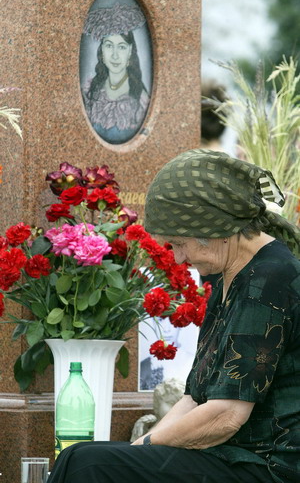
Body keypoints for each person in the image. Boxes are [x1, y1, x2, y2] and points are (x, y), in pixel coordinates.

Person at [47, 149, 300, 483]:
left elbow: (225, 416)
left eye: (180, 243)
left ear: (217, 227)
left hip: (266, 467)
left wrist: (146, 447)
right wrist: (137, 449)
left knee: (88, 464)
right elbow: (194, 398)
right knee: (83, 457)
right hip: (232, 458)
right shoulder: (231, 276)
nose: (179, 258)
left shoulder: (270, 278)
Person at [81, 2, 150, 144]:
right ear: (101, 52)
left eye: (122, 47)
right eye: (109, 46)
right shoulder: (89, 91)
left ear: (130, 51)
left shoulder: (141, 99)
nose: (115, 55)